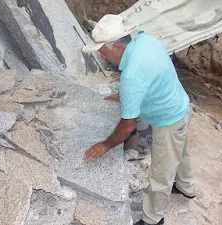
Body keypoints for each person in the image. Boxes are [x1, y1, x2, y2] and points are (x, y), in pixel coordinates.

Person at [82, 14, 196, 225]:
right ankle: (186, 187)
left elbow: (128, 126)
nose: (103, 58)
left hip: (168, 120)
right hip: (180, 106)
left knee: (161, 172)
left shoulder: (132, 75)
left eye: (104, 52)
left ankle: (153, 219)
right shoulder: (145, 40)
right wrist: (128, 97)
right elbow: (151, 77)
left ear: (117, 46)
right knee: (180, 151)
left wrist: (105, 145)